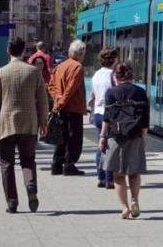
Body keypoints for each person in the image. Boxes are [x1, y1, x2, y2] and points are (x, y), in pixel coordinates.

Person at [0, 37, 49, 213]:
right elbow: (43, 101)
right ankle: (30, 186)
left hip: (6, 123)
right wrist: (43, 123)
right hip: (29, 123)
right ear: (23, 52)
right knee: (28, 160)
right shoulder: (34, 72)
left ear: (8, 51)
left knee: (7, 163)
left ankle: (12, 203)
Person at [99, 61, 150, 219]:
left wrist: (102, 136)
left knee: (118, 174)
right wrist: (144, 135)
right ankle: (135, 200)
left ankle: (125, 208)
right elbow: (145, 119)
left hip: (116, 137)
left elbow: (107, 118)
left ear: (115, 76)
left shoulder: (111, 93)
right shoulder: (140, 92)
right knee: (134, 172)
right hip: (135, 136)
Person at [48, 40, 88, 175]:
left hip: (62, 108)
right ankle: (69, 166)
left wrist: (57, 99)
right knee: (73, 139)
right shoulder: (77, 67)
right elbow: (70, 90)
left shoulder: (60, 66)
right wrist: (60, 103)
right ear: (81, 54)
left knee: (61, 137)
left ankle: (56, 165)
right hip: (73, 108)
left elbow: (51, 86)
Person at [89, 48, 118, 189]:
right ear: (113, 60)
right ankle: (109, 179)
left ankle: (101, 177)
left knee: (101, 145)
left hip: (98, 114)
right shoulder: (113, 75)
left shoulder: (96, 75)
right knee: (111, 147)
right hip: (109, 114)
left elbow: (94, 93)